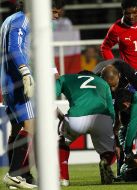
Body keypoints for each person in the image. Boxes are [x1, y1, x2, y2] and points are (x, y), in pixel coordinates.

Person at [1, 0, 65, 189]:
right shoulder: (23, 21)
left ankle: (20, 176)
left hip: (7, 81)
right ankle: (13, 175)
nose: (56, 16)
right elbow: (15, 48)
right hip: (19, 81)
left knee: (18, 128)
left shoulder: (10, 20)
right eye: (53, 11)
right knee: (32, 125)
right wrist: (26, 71)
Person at [55, 70, 116, 186]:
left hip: (77, 118)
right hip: (102, 117)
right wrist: (111, 125)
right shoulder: (103, 82)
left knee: (62, 141)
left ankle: (63, 178)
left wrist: (57, 113)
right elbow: (111, 110)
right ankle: (105, 162)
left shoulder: (66, 78)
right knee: (107, 151)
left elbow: (49, 95)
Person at [93, 58, 137, 179]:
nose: (112, 90)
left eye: (114, 85)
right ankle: (115, 166)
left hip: (125, 93)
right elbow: (110, 115)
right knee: (109, 131)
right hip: (103, 99)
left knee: (131, 121)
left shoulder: (126, 71)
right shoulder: (96, 82)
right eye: (109, 86)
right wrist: (115, 140)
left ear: (120, 76)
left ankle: (134, 160)